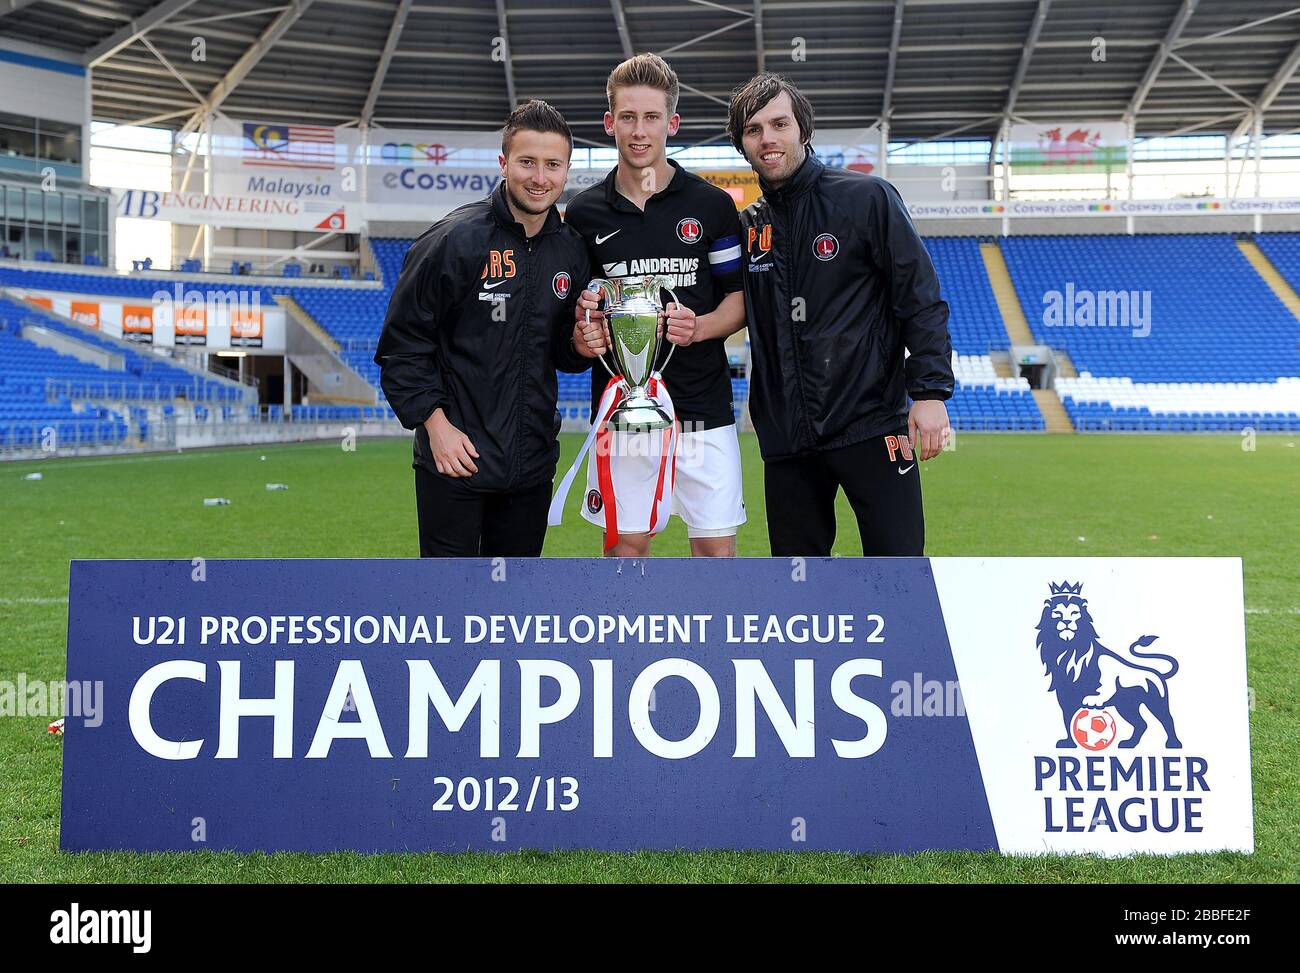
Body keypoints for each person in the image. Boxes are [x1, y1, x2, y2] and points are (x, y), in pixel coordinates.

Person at [725, 74, 954, 557]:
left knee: (898, 573)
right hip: (787, 440)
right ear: (743, 145)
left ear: (802, 130)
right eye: (753, 130)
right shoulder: (749, 227)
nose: (768, 138)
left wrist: (930, 392)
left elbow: (920, 297)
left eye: (779, 123)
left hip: (871, 425)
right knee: (799, 594)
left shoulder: (867, 198)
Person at [374, 100, 599, 557]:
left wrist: (577, 344)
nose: (540, 177)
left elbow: (559, 352)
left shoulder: (572, 251)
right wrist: (436, 428)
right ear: (503, 164)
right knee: (449, 609)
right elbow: (402, 348)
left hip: (531, 468)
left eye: (553, 165)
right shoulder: (453, 240)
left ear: (567, 170)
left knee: (512, 614)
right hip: (454, 463)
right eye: (527, 162)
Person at [569, 53, 748, 558]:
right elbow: (579, 312)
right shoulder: (584, 213)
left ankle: (707, 644)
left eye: (651, 117)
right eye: (628, 117)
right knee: (626, 550)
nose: (639, 131)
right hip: (623, 411)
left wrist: (703, 326)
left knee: (716, 556)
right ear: (610, 124)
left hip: (703, 410)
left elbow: (739, 300)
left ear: (672, 122)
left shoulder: (712, 206)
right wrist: (585, 334)